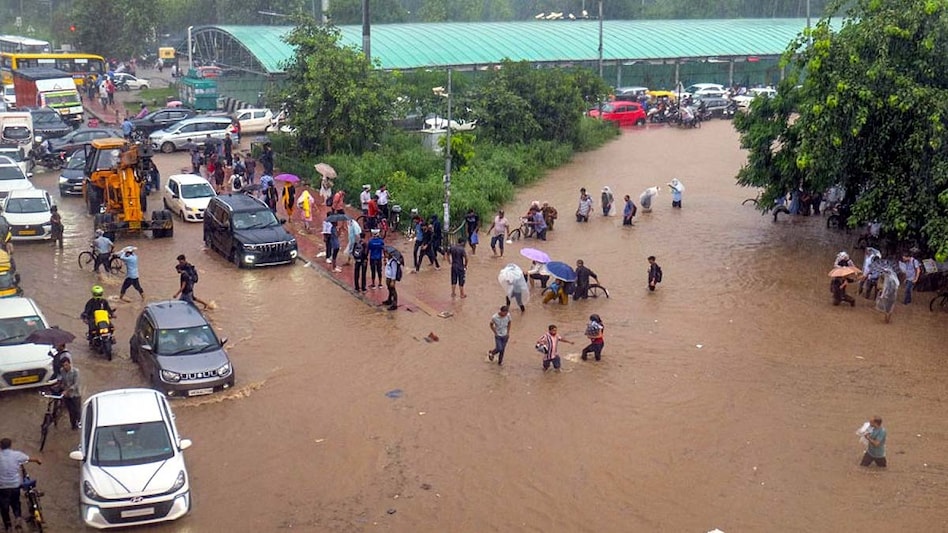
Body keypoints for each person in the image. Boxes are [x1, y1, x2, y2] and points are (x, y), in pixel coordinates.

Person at [0, 438, 42, 533]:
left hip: (2, 487)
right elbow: (28, 459)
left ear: (0, 446)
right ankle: (18, 517)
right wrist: (37, 460)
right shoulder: (17, 455)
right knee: (15, 503)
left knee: (4, 507)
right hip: (15, 485)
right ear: (10, 445)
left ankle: (8, 526)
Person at [56, 357, 81, 430]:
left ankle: (79, 423)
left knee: (77, 411)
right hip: (66, 395)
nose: (65, 367)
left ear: (70, 364)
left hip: (75, 394)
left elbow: (76, 384)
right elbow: (62, 381)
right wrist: (59, 385)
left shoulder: (76, 372)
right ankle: (73, 425)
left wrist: (67, 390)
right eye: (63, 365)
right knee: (70, 411)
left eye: (66, 365)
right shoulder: (62, 371)